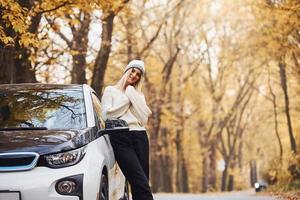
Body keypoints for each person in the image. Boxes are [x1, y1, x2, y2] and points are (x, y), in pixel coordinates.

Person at [101, 59, 154, 200]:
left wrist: (132, 94)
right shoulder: (110, 91)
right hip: (121, 137)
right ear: (126, 71)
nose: (135, 75)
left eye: (138, 74)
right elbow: (107, 115)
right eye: (133, 71)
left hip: (140, 137)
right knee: (140, 182)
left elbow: (143, 120)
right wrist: (127, 98)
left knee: (141, 184)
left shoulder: (138, 95)